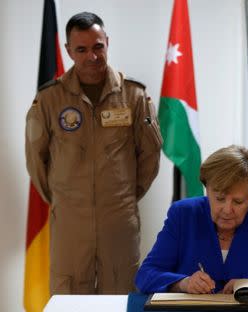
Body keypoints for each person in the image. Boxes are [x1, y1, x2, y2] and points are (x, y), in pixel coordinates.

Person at [25, 12, 162, 294]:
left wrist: (122, 195)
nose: (92, 56)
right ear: (68, 51)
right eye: (82, 49)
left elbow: (149, 156)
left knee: (122, 294)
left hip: (119, 220)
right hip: (70, 223)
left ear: (107, 42)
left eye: (98, 46)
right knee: (69, 296)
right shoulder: (49, 99)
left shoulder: (134, 96)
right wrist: (66, 198)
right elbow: (36, 160)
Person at [135, 145, 248, 294]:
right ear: (207, 189)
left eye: (238, 201)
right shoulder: (183, 214)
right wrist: (183, 283)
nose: (227, 210)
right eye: (219, 198)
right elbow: (146, 275)